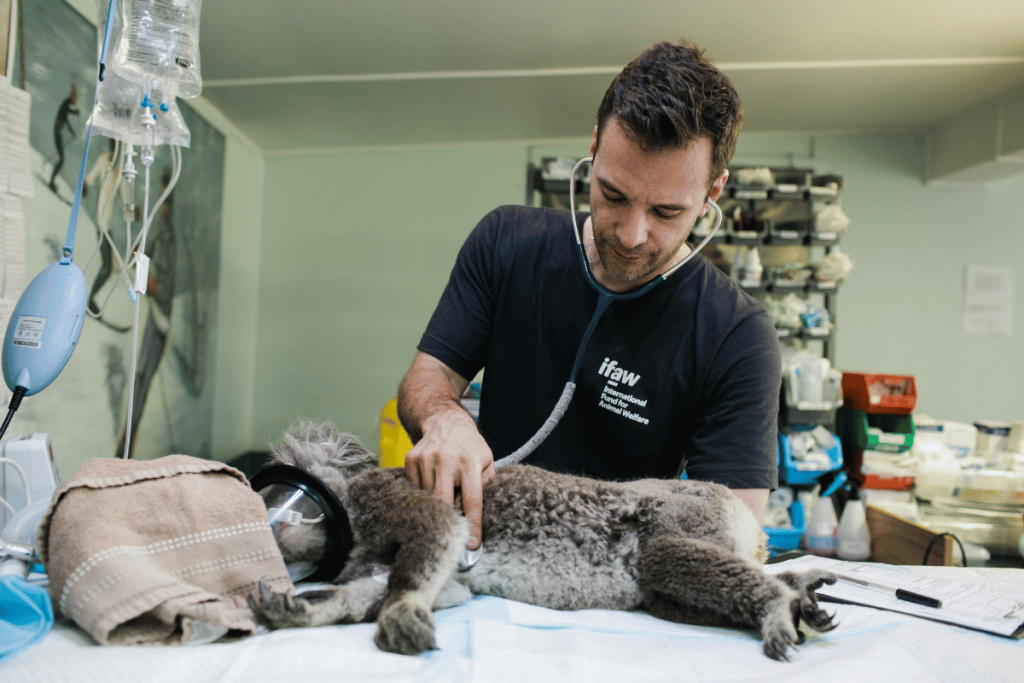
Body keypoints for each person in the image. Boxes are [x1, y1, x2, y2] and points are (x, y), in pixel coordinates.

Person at [397, 40, 780, 551]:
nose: (631, 235)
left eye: (666, 212)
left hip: (622, 583)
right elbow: (428, 377)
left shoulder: (737, 334)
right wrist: (443, 419)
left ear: (714, 192)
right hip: (485, 551)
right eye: (613, 195)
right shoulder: (506, 241)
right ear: (595, 145)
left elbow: (733, 529)